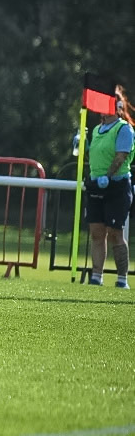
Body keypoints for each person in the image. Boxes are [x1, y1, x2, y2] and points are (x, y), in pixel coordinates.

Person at [84, 85, 132, 289]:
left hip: (116, 186)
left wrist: (108, 176)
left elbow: (120, 156)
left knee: (114, 232)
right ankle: (96, 276)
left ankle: (122, 279)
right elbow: (95, 155)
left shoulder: (124, 129)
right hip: (96, 184)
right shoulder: (96, 130)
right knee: (97, 231)